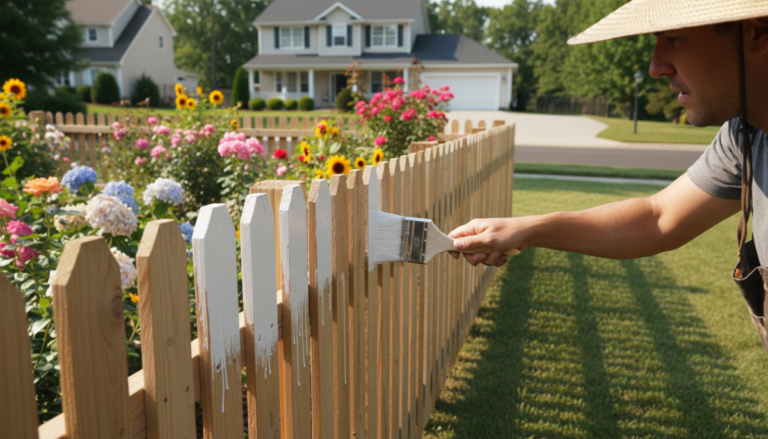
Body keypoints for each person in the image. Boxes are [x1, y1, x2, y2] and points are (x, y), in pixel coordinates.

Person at [449, 0, 768, 353]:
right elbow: (658, 219)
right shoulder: (747, 135)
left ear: (755, 32)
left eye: (673, 38)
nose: (655, 67)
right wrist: (529, 229)